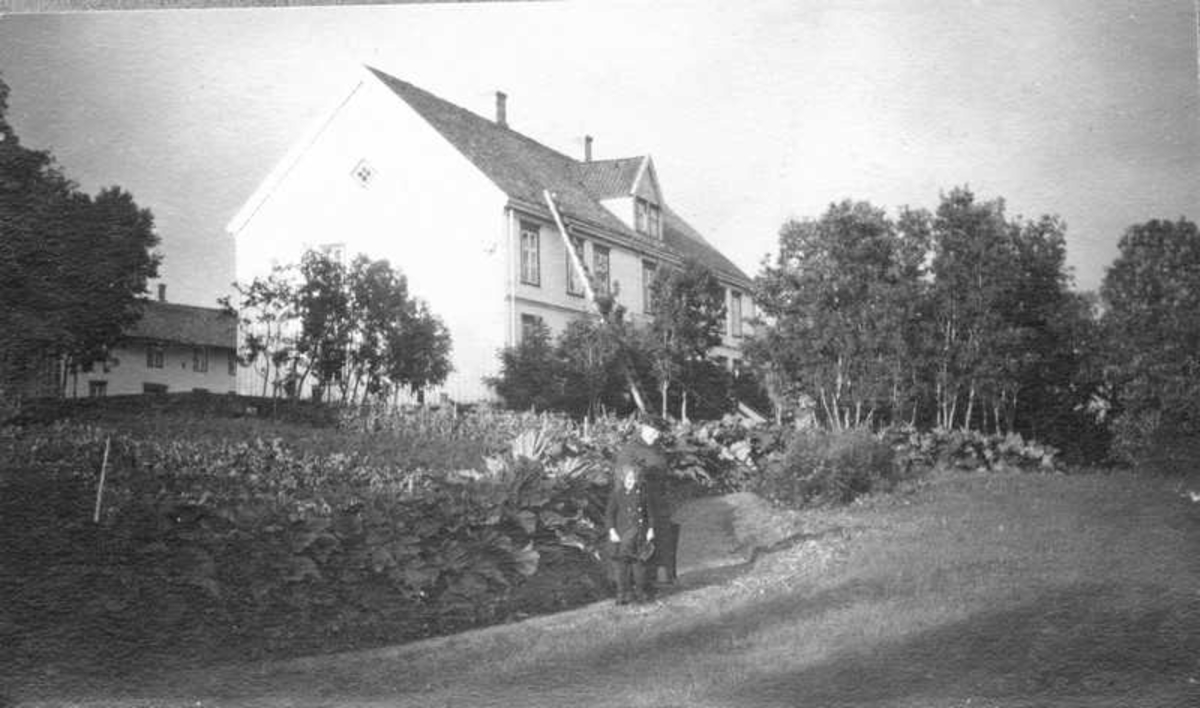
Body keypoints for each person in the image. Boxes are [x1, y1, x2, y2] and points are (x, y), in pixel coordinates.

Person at [606, 463, 657, 605]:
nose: (630, 481)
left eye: (633, 478)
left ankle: (640, 594)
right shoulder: (617, 495)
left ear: (637, 480)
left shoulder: (642, 495)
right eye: (628, 478)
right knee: (622, 567)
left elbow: (650, 514)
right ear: (623, 479)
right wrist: (612, 531)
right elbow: (609, 515)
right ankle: (622, 595)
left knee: (639, 565)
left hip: (639, 534)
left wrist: (651, 529)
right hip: (622, 535)